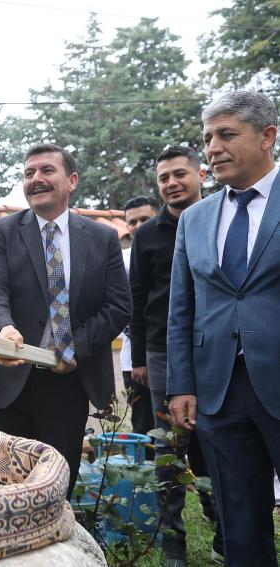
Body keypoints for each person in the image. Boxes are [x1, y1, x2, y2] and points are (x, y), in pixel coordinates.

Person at [0, 143, 131, 499]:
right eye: (29, 173)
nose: (36, 179)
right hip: (5, 382)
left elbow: (118, 307)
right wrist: (2, 328)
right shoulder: (1, 232)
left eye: (46, 171)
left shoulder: (102, 239)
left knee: (56, 488)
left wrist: (77, 345)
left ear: (71, 180)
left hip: (67, 384)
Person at [168, 90, 280, 567]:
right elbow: (180, 310)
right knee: (239, 519)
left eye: (226, 134)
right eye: (208, 137)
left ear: (268, 137)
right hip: (217, 392)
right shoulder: (194, 219)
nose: (212, 148)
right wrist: (182, 385)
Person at [129, 146, 222, 566]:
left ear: (200, 175)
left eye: (179, 174)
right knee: (168, 447)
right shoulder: (147, 234)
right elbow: (136, 300)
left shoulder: (219, 218)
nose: (171, 183)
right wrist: (140, 360)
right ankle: (172, 543)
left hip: (216, 347)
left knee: (217, 441)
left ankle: (221, 526)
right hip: (162, 353)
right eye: (164, 177)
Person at [121, 196, 157, 439]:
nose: (138, 225)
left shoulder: (175, 248)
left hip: (169, 354)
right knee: (143, 426)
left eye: (145, 219)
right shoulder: (120, 258)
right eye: (132, 221)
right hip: (132, 359)